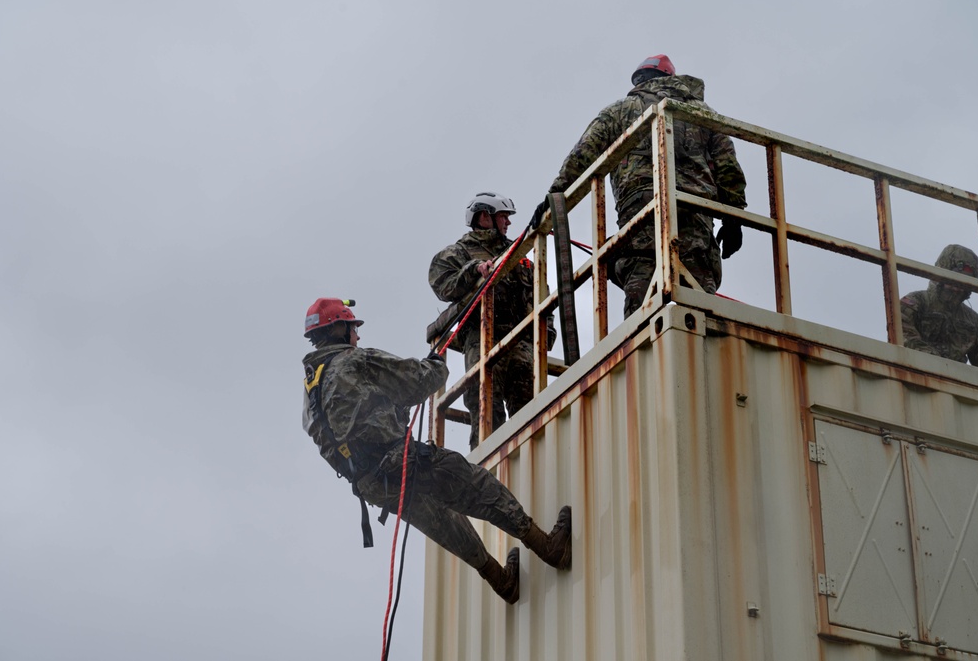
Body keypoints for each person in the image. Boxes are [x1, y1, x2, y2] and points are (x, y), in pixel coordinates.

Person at [301, 297, 571, 603]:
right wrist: (436, 363)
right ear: (338, 328)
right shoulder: (355, 362)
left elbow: (347, 429)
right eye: (353, 328)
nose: (358, 336)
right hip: (401, 462)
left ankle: (502, 582)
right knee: (477, 486)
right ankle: (550, 548)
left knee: (442, 522)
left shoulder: (311, 392)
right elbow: (421, 380)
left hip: (373, 485)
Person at [534, 54, 748, 317]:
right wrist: (733, 218)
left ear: (640, 81)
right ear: (672, 78)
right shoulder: (703, 113)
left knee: (642, 292)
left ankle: (647, 342)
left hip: (641, 213)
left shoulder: (621, 109)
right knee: (699, 295)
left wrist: (557, 196)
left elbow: (584, 154)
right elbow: (728, 168)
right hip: (695, 213)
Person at [429, 192, 553, 450]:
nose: (508, 223)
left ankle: (533, 463)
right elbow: (443, 286)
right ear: (485, 217)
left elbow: (540, 290)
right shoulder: (457, 252)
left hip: (521, 340)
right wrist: (473, 270)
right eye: (503, 217)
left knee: (531, 408)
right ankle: (487, 471)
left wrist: (546, 330)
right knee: (486, 411)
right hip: (482, 340)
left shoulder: (518, 251)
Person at [900, 244, 978, 370]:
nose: (957, 287)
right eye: (953, 279)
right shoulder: (915, 303)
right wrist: (939, 364)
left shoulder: (977, 325)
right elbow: (903, 337)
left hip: (958, 385)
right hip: (913, 375)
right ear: (940, 274)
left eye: (964, 282)